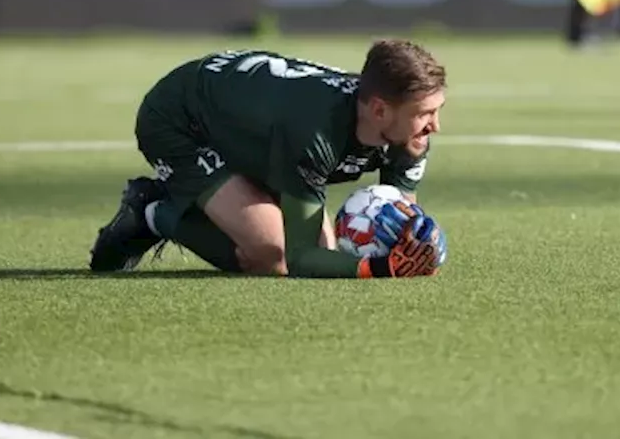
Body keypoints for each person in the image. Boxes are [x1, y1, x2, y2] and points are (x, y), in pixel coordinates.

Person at [89, 40, 448, 279]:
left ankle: (210, 201)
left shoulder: (409, 132)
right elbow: (299, 257)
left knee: (329, 254)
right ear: (380, 110)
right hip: (181, 119)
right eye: (426, 113)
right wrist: (383, 268)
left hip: (257, 131)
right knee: (270, 255)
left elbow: (399, 214)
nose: (435, 126)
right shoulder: (314, 133)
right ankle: (154, 211)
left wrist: (412, 242)